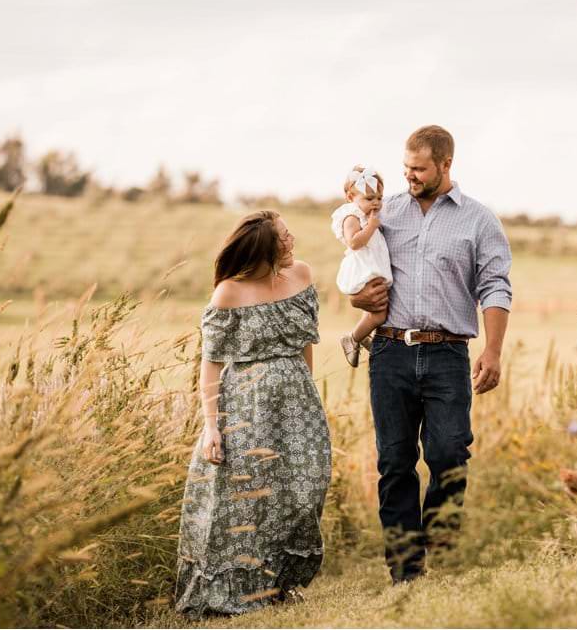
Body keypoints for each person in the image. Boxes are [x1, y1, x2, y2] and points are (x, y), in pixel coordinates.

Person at [350, 125, 512, 584]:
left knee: (448, 452)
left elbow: (495, 286)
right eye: (405, 168)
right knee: (394, 460)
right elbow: (362, 272)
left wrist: (493, 351)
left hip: (447, 355)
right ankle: (405, 568)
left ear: (446, 165)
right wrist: (358, 300)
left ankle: (440, 538)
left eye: (419, 169)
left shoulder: (479, 220)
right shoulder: (387, 214)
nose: (410, 176)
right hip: (389, 352)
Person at [174, 211, 331, 616]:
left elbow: (305, 342)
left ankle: (283, 580)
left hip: (296, 400)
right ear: (264, 246)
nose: (291, 239)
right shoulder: (229, 292)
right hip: (246, 404)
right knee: (245, 498)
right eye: (283, 236)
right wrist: (211, 426)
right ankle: (238, 589)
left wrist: (307, 395)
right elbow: (210, 363)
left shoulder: (302, 275)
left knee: (303, 491)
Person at [331, 165, 393, 367]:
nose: (375, 203)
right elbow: (355, 242)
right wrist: (372, 226)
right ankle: (353, 338)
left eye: (379, 198)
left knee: (374, 311)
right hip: (363, 269)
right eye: (369, 198)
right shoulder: (351, 216)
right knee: (379, 313)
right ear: (350, 197)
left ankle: (363, 337)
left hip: (372, 267)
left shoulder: (367, 217)